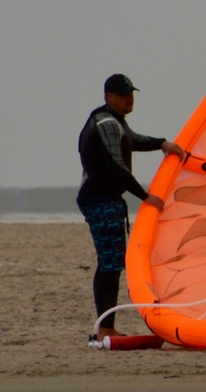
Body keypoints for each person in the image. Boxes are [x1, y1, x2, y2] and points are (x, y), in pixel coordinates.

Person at [76, 73, 181, 342]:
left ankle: (106, 327)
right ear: (109, 96)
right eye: (123, 95)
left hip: (107, 199)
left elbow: (135, 140)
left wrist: (161, 144)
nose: (129, 99)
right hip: (99, 199)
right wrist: (146, 197)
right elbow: (115, 165)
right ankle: (104, 329)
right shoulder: (106, 122)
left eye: (131, 94)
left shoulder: (116, 122)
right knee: (109, 265)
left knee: (112, 265)